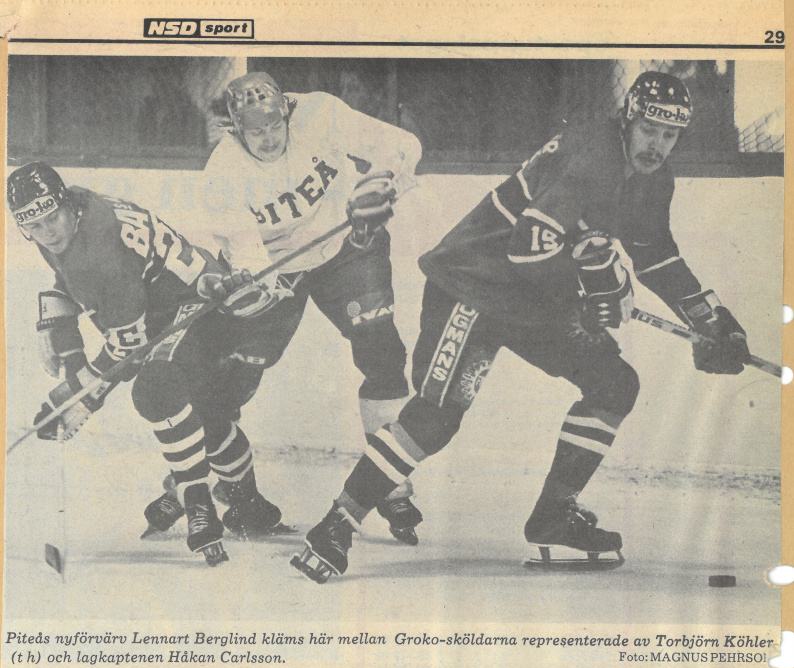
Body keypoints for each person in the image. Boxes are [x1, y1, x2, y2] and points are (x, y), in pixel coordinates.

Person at [291, 71, 753, 583]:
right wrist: (586, 291)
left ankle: (554, 516)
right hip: (473, 285)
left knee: (614, 384)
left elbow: (657, 254)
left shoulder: (651, 179)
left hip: (535, 296)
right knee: (436, 417)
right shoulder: (592, 155)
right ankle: (336, 523)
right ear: (627, 121)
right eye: (649, 130)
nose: (657, 146)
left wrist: (709, 319)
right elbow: (525, 245)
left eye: (669, 136)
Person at [7, 162, 294, 566]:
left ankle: (197, 502)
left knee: (156, 391)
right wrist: (54, 325)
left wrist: (78, 398)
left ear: (65, 205)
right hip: (168, 305)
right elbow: (72, 281)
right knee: (203, 417)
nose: (47, 232)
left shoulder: (101, 247)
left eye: (52, 218)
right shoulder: (74, 210)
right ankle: (245, 504)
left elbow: (128, 345)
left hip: (199, 308)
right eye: (34, 226)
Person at [194, 71, 425, 545]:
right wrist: (259, 287)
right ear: (235, 129)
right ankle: (226, 483)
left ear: (287, 112)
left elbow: (400, 143)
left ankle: (390, 482)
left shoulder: (320, 112)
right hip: (278, 269)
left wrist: (384, 185)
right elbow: (248, 254)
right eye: (254, 131)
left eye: (274, 125)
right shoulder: (221, 174)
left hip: (348, 246)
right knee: (236, 374)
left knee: (382, 350)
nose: (268, 138)